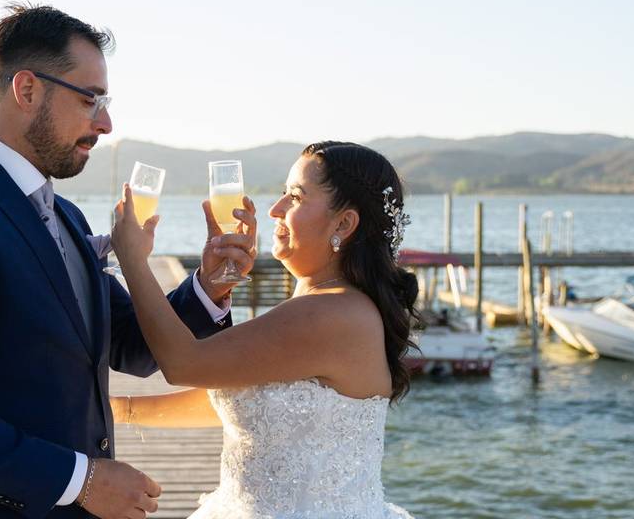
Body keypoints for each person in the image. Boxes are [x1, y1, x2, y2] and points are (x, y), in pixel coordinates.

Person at [0, 4, 258, 519]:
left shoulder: (68, 215)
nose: (105, 123)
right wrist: (80, 482)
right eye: (90, 100)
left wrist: (210, 285)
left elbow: (131, 344)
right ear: (27, 90)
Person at [109, 141, 418, 518]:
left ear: (344, 223)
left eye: (295, 197)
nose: (275, 209)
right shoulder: (327, 303)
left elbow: (184, 363)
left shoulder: (333, 313)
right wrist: (118, 410)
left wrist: (133, 259)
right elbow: (244, 396)